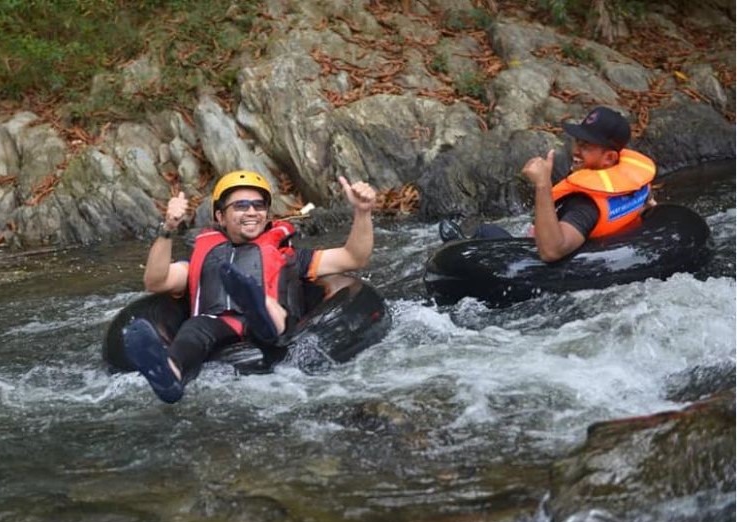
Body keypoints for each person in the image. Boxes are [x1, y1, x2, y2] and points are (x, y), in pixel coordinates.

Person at [123, 169, 377, 403]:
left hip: (274, 329)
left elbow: (354, 257)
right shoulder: (200, 261)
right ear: (221, 216)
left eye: (259, 205)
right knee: (194, 328)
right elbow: (155, 282)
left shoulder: (289, 255)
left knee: (269, 309)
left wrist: (363, 212)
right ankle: (171, 375)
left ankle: (257, 306)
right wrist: (168, 228)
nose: (252, 211)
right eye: (241, 206)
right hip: (219, 323)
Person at [439, 106, 657, 262]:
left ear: (609, 158)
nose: (575, 151)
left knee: (485, 233)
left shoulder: (584, 205)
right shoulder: (634, 184)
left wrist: (542, 184)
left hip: (542, 268)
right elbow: (649, 204)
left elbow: (552, 251)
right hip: (602, 251)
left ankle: (455, 246)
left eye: (586, 146)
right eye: (577, 142)